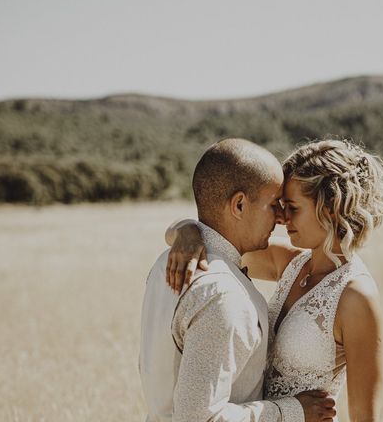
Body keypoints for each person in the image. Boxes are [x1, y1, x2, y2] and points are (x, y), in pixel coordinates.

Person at [166, 139, 383, 422]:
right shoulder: (289, 262)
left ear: (330, 208)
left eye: (293, 207)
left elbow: (365, 417)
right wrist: (186, 231)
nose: (282, 217)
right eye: (281, 205)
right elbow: (218, 239)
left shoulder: (356, 296)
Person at [139, 139, 336, 422]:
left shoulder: (166, 261)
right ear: (239, 205)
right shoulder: (223, 295)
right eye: (273, 204)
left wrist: (186, 228)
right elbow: (199, 418)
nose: (280, 217)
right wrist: (293, 411)